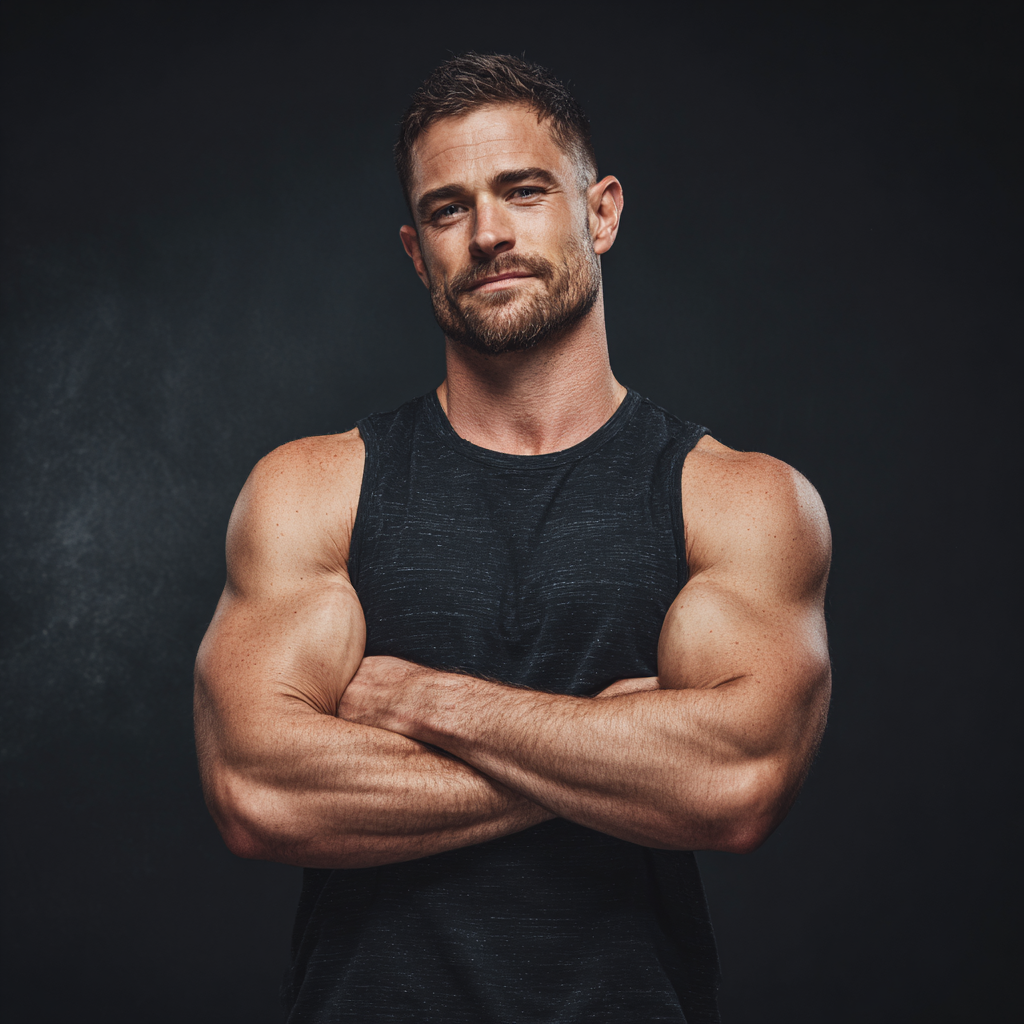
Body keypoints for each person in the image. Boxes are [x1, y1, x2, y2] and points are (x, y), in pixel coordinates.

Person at [194, 52, 831, 1024]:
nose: (488, 233)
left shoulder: (737, 499)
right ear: (417, 252)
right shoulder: (315, 490)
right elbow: (256, 788)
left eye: (523, 191)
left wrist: (420, 697)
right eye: (448, 210)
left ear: (601, 211)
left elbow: (734, 781)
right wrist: (616, 742)